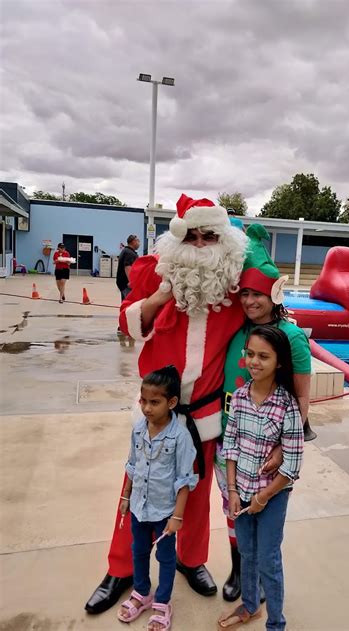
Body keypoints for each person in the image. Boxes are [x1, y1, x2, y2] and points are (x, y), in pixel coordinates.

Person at [85, 193, 248, 614]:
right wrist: (158, 298)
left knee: (194, 492)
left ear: (222, 239)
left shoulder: (235, 278)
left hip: (206, 413)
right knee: (137, 488)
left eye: (207, 236)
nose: (198, 244)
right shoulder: (151, 271)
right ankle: (120, 569)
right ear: (176, 239)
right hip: (159, 412)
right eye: (189, 236)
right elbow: (126, 322)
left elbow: (268, 306)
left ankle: (189, 560)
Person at [215, 224, 314, 604]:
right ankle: (240, 570)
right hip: (231, 439)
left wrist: (283, 451)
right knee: (233, 509)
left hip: (269, 446)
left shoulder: (291, 337)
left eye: (258, 294)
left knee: (261, 516)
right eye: (245, 293)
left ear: (273, 294)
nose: (250, 301)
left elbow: (302, 401)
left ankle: (257, 578)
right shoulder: (237, 331)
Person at [218, 325, 304, 631]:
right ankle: (251, 606)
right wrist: (232, 491)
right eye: (250, 354)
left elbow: (292, 465)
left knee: (268, 559)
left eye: (263, 356)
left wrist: (263, 497)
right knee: (246, 552)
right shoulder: (239, 397)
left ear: (279, 362)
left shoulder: (287, 406)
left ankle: (276, 623)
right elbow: (229, 446)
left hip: (272, 497)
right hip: (240, 493)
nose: (254, 361)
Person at [117, 366, 198, 630]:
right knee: (138, 551)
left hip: (164, 513)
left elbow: (184, 480)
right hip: (139, 508)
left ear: (171, 402)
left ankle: (162, 602)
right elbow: (132, 464)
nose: (147, 408)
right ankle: (141, 592)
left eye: (155, 402)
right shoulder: (139, 428)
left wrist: (177, 517)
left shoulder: (180, 437)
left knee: (165, 558)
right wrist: (126, 496)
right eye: (143, 401)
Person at [116, 234, 140, 301]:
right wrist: (131, 282)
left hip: (123, 283)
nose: (139, 243)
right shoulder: (129, 253)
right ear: (133, 242)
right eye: (138, 241)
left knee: (125, 302)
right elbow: (128, 267)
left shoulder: (127, 251)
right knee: (129, 303)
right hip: (126, 284)